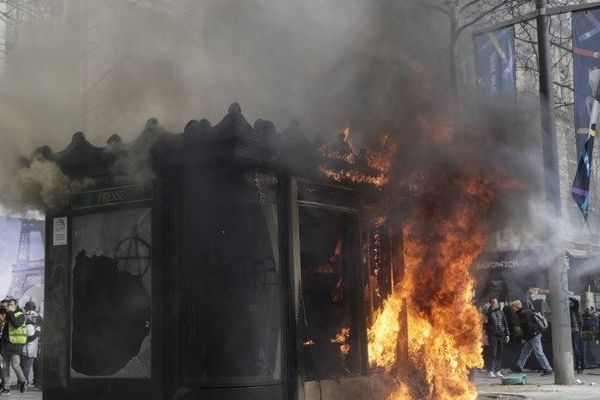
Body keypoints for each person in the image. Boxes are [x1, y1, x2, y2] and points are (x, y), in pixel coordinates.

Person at [510, 299, 553, 376]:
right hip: (532, 335)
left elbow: (528, 327)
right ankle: (519, 367)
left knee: (538, 352)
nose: (512, 309)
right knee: (525, 352)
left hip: (534, 335)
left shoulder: (523, 314)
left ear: (516, 307)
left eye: (512, 307)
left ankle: (548, 369)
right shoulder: (524, 312)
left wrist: (524, 338)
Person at [0, 298, 28, 394]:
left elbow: (16, 324)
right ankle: (6, 387)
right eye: (9, 305)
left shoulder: (21, 315)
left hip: (15, 346)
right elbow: (4, 332)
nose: (9, 306)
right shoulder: (7, 315)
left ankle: (23, 381)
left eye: (12, 304)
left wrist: (10, 312)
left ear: (16, 306)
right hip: (6, 345)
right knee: (5, 367)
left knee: (15, 365)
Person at [484, 298, 510, 378]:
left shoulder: (501, 312)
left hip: (501, 335)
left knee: (499, 353)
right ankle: (490, 371)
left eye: (495, 302)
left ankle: (497, 370)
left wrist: (507, 334)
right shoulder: (488, 314)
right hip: (492, 336)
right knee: (493, 353)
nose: (495, 303)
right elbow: (485, 326)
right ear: (491, 303)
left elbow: (505, 324)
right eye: (493, 302)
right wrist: (486, 335)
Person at [21, 302, 41, 386]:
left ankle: (25, 382)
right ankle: (34, 381)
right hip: (34, 346)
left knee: (27, 366)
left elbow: (30, 337)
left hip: (31, 346)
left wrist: (37, 332)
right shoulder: (35, 316)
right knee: (32, 365)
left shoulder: (29, 316)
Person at [570, 297, 585, 373]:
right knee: (576, 349)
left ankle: (579, 366)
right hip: (572, 330)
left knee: (576, 349)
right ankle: (579, 366)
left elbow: (576, 301)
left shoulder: (573, 309)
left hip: (574, 330)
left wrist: (568, 297)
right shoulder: (570, 310)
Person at [0, 299, 7, 394]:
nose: (3, 308)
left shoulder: (9, 316)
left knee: (2, 365)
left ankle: (4, 383)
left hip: (4, 343)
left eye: (5, 306)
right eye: (2, 306)